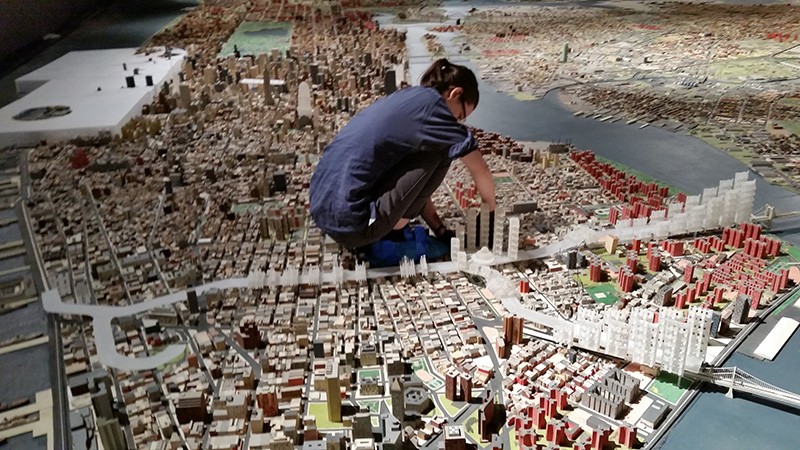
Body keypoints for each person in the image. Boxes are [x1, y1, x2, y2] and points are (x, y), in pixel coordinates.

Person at [309, 58, 496, 251]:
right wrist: (489, 216)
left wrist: (439, 230)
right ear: (455, 93)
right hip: (354, 226)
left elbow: (414, 180)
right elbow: (480, 170)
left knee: (435, 148)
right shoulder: (436, 113)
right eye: (460, 115)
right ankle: (395, 229)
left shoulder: (409, 97)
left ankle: (398, 223)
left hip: (322, 209)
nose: (458, 121)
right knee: (444, 149)